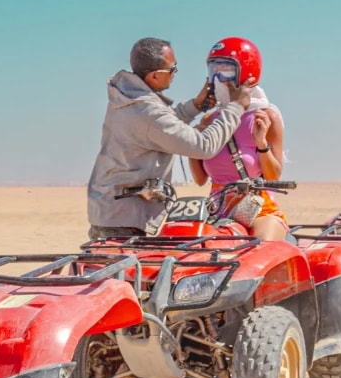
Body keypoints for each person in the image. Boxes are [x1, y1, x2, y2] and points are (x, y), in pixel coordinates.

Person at [86, 38, 250, 239]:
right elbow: (203, 146)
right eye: (173, 69)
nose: (175, 74)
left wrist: (196, 106)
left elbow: (158, 130)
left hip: (110, 213)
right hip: (124, 222)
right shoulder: (146, 111)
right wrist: (235, 107)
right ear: (155, 75)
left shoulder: (127, 97)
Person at [187, 37, 290, 239]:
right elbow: (200, 180)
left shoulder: (266, 116)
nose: (218, 78)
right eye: (214, 70)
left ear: (246, 72)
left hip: (260, 210)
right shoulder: (211, 119)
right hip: (218, 212)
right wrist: (194, 144)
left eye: (226, 70)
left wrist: (261, 143)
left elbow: (273, 176)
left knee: (260, 250)